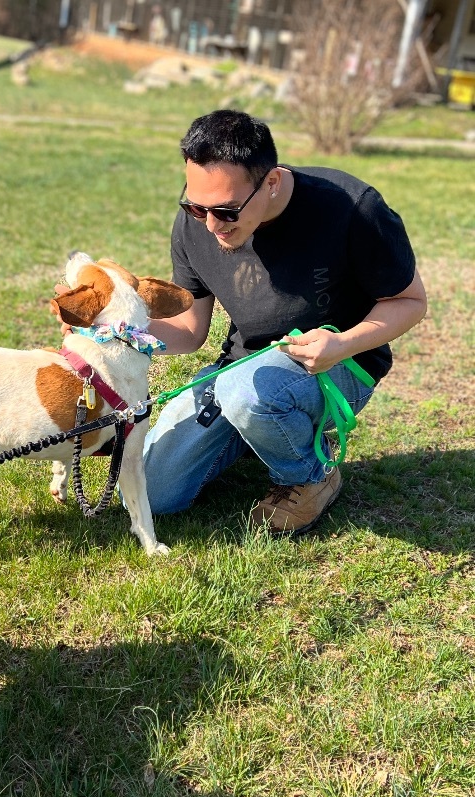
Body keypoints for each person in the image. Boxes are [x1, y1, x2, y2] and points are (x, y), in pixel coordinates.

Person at [141, 109, 427, 534]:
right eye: (197, 207)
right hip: (241, 369)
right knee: (155, 492)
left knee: (248, 393)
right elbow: (189, 330)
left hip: (339, 364)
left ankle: (311, 475)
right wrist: (118, 335)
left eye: (227, 211)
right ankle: (259, 430)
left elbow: (410, 301)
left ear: (271, 182)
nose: (211, 225)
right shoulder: (195, 222)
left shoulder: (352, 207)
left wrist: (343, 344)